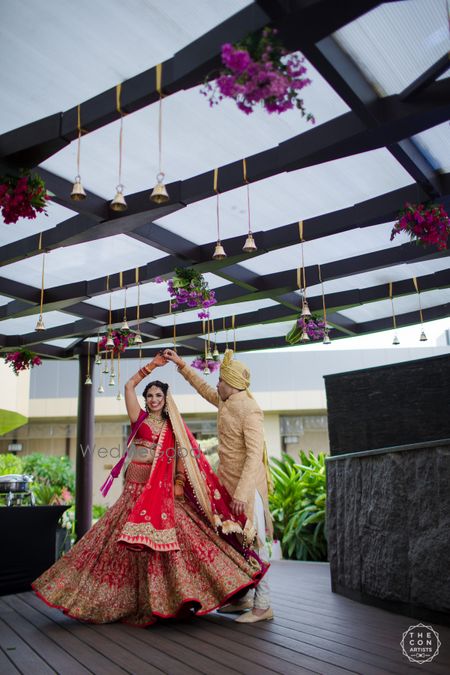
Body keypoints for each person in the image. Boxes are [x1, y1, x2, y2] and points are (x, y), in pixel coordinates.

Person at [32, 354, 268, 627]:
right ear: (145, 399)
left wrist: (179, 482)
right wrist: (152, 366)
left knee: (179, 544)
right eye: (151, 395)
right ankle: (108, 596)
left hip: (164, 491)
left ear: (166, 399)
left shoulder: (174, 426)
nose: (154, 399)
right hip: (135, 488)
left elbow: (182, 457)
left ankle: (174, 598)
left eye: (159, 395)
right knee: (115, 542)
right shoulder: (139, 417)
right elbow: (129, 386)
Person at [164, 348, 273, 623]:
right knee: (233, 540)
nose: (217, 385)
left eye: (221, 381)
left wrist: (242, 492)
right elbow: (203, 387)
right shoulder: (226, 401)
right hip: (228, 483)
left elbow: (254, 455)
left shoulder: (250, 410)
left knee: (252, 542)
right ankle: (242, 597)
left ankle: (264, 604)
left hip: (247, 489)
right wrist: (180, 364)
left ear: (232, 384)